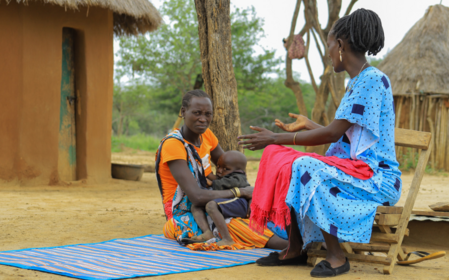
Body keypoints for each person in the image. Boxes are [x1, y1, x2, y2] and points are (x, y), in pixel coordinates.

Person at [238, 9, 401, 277]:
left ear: (340, 45)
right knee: (280, 157)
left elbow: (331, 134)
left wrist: (274, 136)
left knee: (304, 164)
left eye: (328, 44)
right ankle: (295, 247)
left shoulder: (371, 80)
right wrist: (305, 125)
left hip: (376, 177)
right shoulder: (359, 81)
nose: (326, 51)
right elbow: (344, 135)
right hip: (354, 169)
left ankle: (337, 257)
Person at [155, 89, 287, 251]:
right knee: (243, 228)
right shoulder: (173, 145)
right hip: (186, 213)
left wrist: (248, 197)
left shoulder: (206, 135)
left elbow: (230, 169)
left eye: (207, 114)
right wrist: (240, 192)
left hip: (213, 203)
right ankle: (300, 247)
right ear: (183, 112)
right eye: (197, 113)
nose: (203, 119)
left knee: (265, 216)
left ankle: (309, 240)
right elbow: (196, 197)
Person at [190, 151, 252, 247]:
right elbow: (215, 178)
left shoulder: (239, 177)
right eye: (218, 167)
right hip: (227, 202)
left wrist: (212, 183)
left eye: (225, 169)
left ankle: (227, 239)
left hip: (240, 203)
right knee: (196, 206)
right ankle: (207, 232)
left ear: (239, 170)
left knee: (211, 206)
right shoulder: (224, 176)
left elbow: (230, 183)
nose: (219, 170)